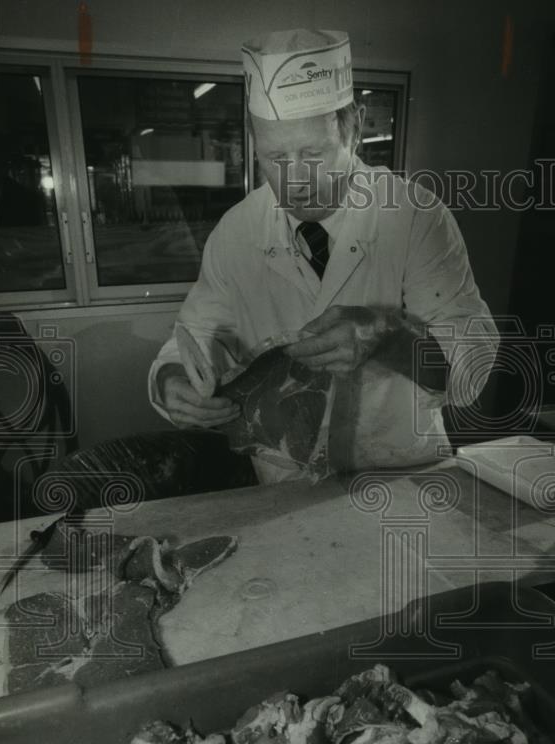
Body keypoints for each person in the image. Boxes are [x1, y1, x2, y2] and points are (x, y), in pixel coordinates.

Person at [148, 28, 499, 483]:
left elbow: (473, 367)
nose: (295, 179)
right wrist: (172, 381)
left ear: (354, 128)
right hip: (284, 480)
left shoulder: (414, 217)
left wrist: (389, 336)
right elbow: (193, 339)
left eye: (312, 152)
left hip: (403, 473)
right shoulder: (237, 231)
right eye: (275, 158)